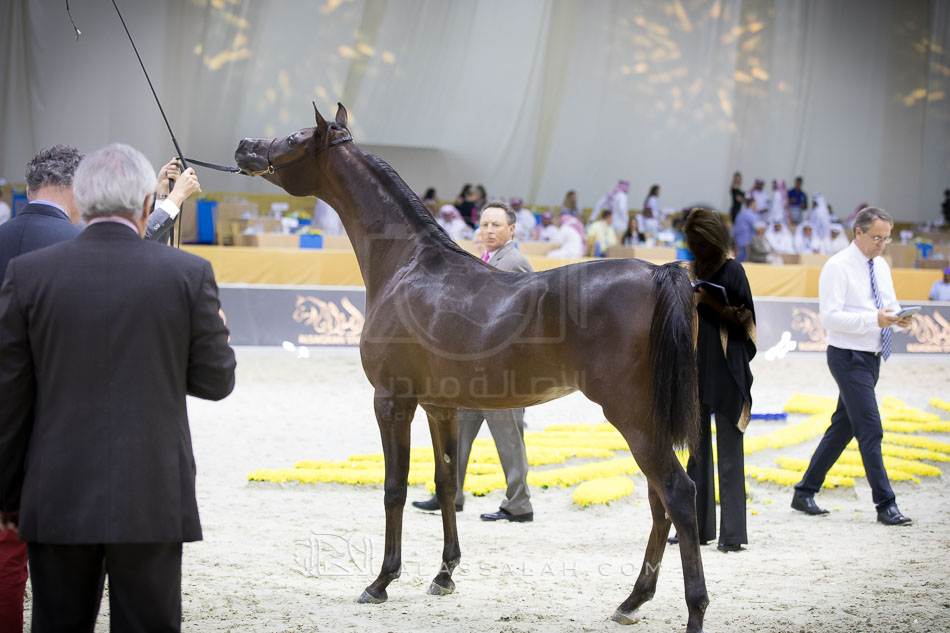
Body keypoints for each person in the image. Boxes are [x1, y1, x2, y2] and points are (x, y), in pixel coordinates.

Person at [0, 142, 237, 631]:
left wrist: (7, 495)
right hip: (152, 492)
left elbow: (10, 399)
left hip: (57, 490)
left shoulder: (28, 274)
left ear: (82, 201)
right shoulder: (187, 273)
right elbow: (216, 381)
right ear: (148, 204)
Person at [412, 202, 533, 522]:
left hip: (502, 374)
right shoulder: (485, 259)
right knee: (458, 434)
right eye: (484, 225)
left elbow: (522, 319)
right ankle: (449, 494)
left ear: (511, 229)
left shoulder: (516, 263)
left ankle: (519, 504)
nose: (488, 231)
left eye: (496, 225)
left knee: (509, 439)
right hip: (475, 372)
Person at [791, 207, 913, 525]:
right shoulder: (837, 266)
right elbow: (830, 317)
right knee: (870, 428)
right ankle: (885, 504)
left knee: (843, 426)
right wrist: (874, 319)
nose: (882, 244)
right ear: (858, 232)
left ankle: (804, 491)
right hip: (847, 356)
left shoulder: (881, 266)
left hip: (871, 356)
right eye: (877, 237)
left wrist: (900, 319)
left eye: (886, 238)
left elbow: (888, 306)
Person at [683, 207, 756, 552]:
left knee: (729, 455)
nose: (695, 247)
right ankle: (696, 529)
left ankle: (733, 535)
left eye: (699, 241)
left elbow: (746, 322)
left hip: (727, 371)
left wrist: (708, 300)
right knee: (696, 454)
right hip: (694, 372)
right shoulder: (688, 271)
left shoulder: (734, 270)